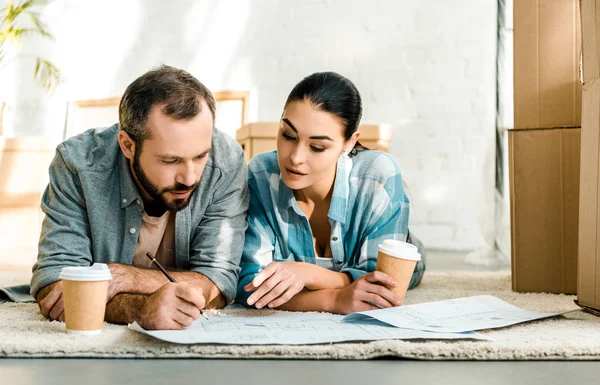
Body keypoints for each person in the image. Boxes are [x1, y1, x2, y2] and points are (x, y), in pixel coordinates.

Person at [32, 65, 249, 330]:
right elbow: (55, 287)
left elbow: (217, 283)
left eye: (201, 156)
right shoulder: (77, 164)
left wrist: (127, 278)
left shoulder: (226, 162)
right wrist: (140, 309)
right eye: (170, 160)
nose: (190, 177)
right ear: (128, 145)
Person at [237, 71, 425, 314]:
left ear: (349, 142)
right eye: (288, 135)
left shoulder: (379, 176)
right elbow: (249, 287)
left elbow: (382, 285)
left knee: (401, 269)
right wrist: (333, 300)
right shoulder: (261, 175)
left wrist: (307, 274)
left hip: (396, 247)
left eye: (317, 147)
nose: (295, 158)